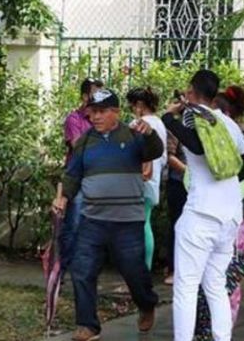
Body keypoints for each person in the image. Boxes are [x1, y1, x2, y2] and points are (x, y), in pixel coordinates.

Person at [54, 89, 162, 341]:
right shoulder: (84, 142)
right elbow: (72, 175)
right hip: (93, 219)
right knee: (82, 269)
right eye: (93, 112)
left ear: (116, 112)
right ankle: (88, 325)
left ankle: (147, 305)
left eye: (102, 111)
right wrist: (63, 197)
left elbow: (154, 151)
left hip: (127, 221)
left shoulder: (134, 135)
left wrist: (151, 134)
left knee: (134, 271)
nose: (96, 117)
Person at [162, 70, 244, 341]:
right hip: (229, 217)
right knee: (215, 285)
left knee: (186, 287)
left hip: (201, 214)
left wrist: (169, 118)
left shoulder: (192, 116)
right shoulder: (226, 122)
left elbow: (196, 146)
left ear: (191, 91)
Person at [192, 85, 244, 340]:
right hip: (205, 214)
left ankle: (223, 331)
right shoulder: (203, 136)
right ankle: (203, 330)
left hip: (239, 219)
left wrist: (227, 193)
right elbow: (191, 175)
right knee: (203, 278)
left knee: (228, 278)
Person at [58, 77, 104, 270]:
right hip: (77, 179)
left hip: (97, 178)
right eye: (95, 94)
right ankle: (64, 269)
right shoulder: (74, 119)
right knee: (74, 224)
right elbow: (78, 146)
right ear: (85, 96)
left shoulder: (103, 120)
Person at [126, 87, 168, 270]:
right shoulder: (159, 123)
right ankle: (145, 268)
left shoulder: (140, 124)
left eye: (131, 106)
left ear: (139, 105)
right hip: (153, 180)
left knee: (139, 228)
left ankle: (141, 270)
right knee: (145, 223)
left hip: (138, 182)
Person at [164, 131, 188, 285]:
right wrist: (188, 172)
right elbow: (169, 156)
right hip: (178, 183)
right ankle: (173, 269)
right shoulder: (175, 127)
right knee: (177, 225)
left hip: (198, 186)